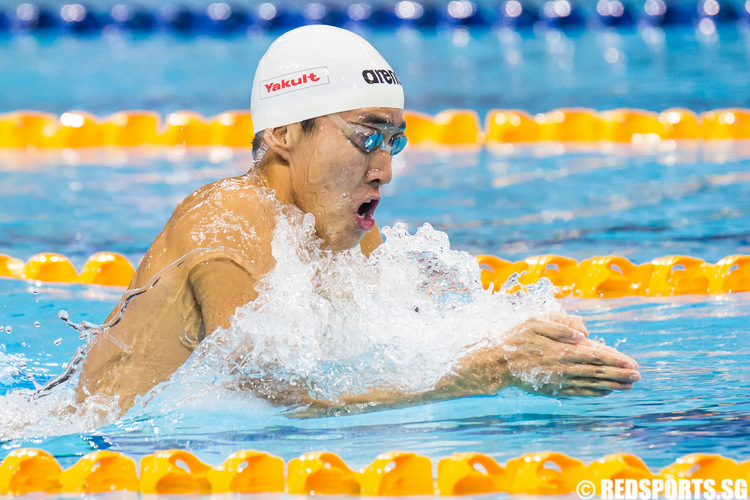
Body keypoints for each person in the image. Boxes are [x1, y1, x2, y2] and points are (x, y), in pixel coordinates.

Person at [60, 25, 639, 414]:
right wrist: (484, 373)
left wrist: (520, 344)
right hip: (95, 461)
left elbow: (389, 349)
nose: (384, 169)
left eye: (394, 141)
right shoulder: (226, 226)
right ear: (284, 133)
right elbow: (276, 400)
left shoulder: (336, 232)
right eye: (366, 137)